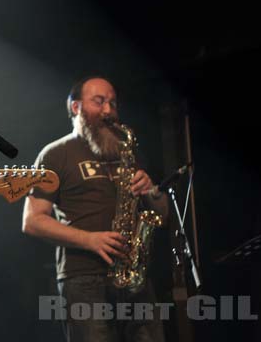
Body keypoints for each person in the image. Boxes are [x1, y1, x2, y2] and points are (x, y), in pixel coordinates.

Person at [22, 77, 169, 342]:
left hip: (134, 275)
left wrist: (151, 191)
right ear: (76, 107)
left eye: (112, 103)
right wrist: (89, 239)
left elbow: (162, 213)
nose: (108, 110)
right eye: (99, 101)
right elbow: (32, 221)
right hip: (83, 278)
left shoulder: (126, 151)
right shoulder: (55, 153)